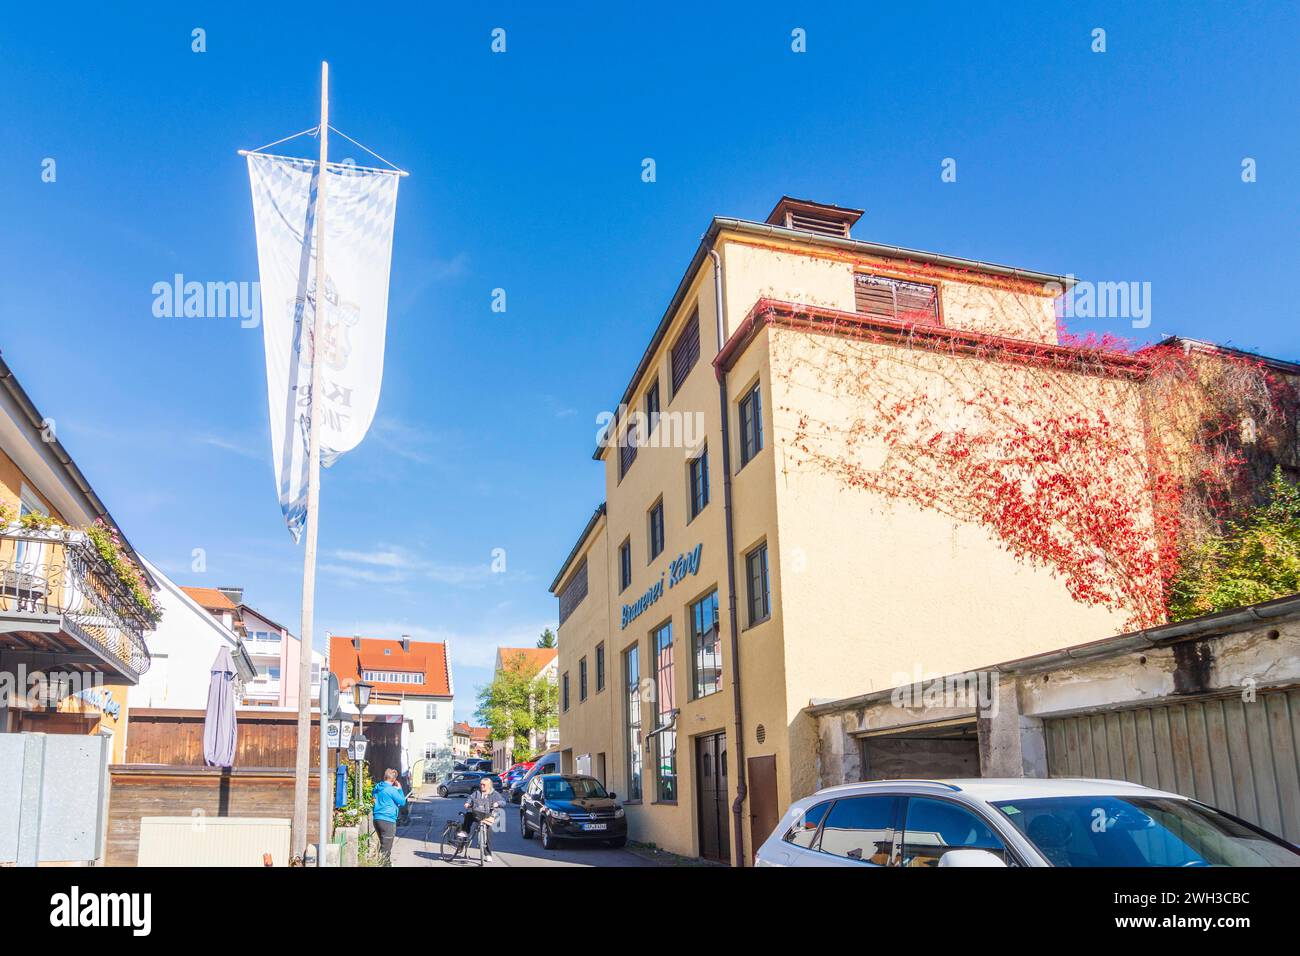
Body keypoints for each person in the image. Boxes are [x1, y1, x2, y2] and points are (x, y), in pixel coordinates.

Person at [460, 775, 505, 863]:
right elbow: (470, 798)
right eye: (481, 784)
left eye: (484, 785)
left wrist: (497, 803)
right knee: (468, 815)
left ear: (489, 786)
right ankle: (465, 831)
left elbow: (503, 802)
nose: (481, 786)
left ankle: (488, 854)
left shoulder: (494, 794)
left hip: (487, 817)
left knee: (488, 834)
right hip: (477, 814)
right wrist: (467, 803)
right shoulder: (477, 793)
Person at [372, 768, 408, 866]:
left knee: (384, 845)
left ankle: (386, 864)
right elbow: (402, 802)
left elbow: (375, 797)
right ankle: (383, 864)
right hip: (387, 820)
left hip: (376, 819)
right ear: (393, 780)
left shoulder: (377, 787)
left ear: (385, 777)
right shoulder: (392, 790)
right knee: (386, 849)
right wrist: (399, 789)